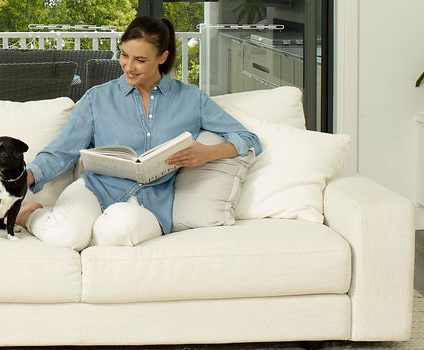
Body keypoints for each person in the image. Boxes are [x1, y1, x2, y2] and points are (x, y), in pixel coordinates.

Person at [17, 15, 262, 249]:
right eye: (124, 55)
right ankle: (31, 215)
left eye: (140, 60)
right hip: (95, 187)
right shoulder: (98, 98)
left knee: (119, 230)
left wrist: (208, 153)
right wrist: (26, 174)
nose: (128, 67)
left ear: (163, 57)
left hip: (151, 202)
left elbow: (249, 139)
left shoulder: (191, 99)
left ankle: (82, 228)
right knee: (66, 237)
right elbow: (62, 150)